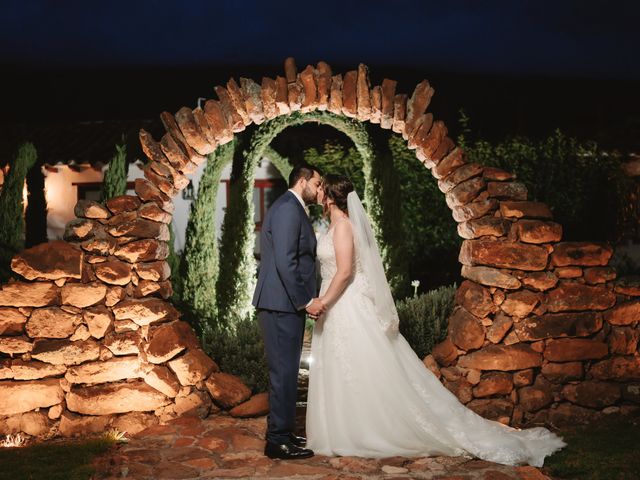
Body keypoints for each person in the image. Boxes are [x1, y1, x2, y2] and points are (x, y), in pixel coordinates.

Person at [305, 174, 567, 467]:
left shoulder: (342, 227)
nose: (316, 193)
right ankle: (346, 427)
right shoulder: (333, 225)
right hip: (338, 307)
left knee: (362, 366)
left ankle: (368, 429)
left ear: (328, 196)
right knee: (348, 367)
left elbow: (344, 273)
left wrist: (323, 302)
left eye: (320, 189)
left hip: (345, 304)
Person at [252, 163, 325, 460]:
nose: (319, 189)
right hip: (281, 303)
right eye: (317, 183)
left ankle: (282, 431)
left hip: (284, 303)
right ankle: (277, 441)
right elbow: (285, 261)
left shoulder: (292, 207)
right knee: (283, 373)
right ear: (303, 180)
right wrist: (304, 301)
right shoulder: (287, 209)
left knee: (287, 372)